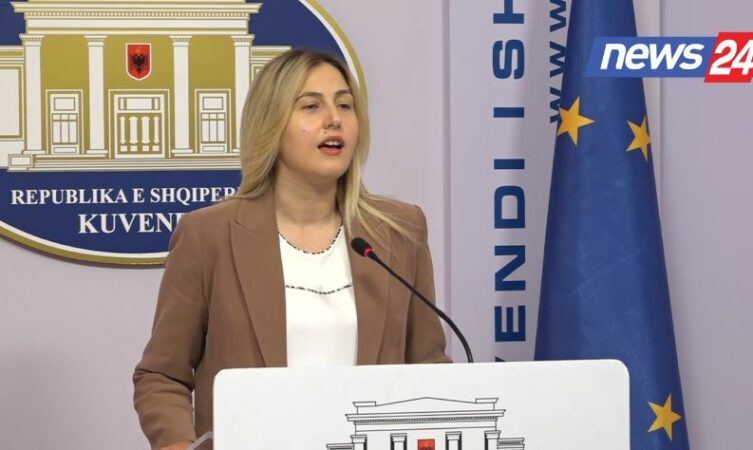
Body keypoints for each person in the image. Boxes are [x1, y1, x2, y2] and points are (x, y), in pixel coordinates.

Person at [133, 49, 450, 450]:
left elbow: (429, 368)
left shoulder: (398, 231)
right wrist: (179, 444)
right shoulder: (209, 235)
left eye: (345, 105)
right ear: (271, 124)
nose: (334, 119)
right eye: (311, 106)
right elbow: (162, 376)